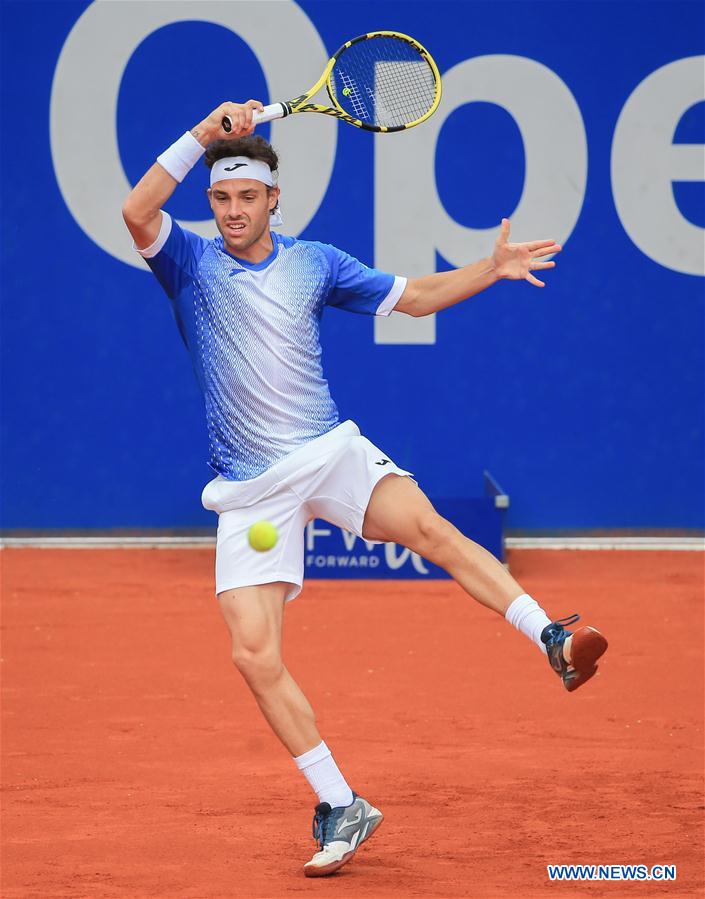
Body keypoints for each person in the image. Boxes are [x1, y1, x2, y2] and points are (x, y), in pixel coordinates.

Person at [122, 100, 608, 878]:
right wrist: (203, 135)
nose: (233, 210)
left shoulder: (315, 263)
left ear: (273, 199)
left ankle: (549, 635)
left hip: (327, 451)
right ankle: (339, 801)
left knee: (432, 529)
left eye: (247, 196)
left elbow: (411, 296)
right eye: (220, 197)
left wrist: (489, 268)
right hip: (248, 488)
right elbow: (136, 209)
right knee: (253, 654)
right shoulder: (188, 263)